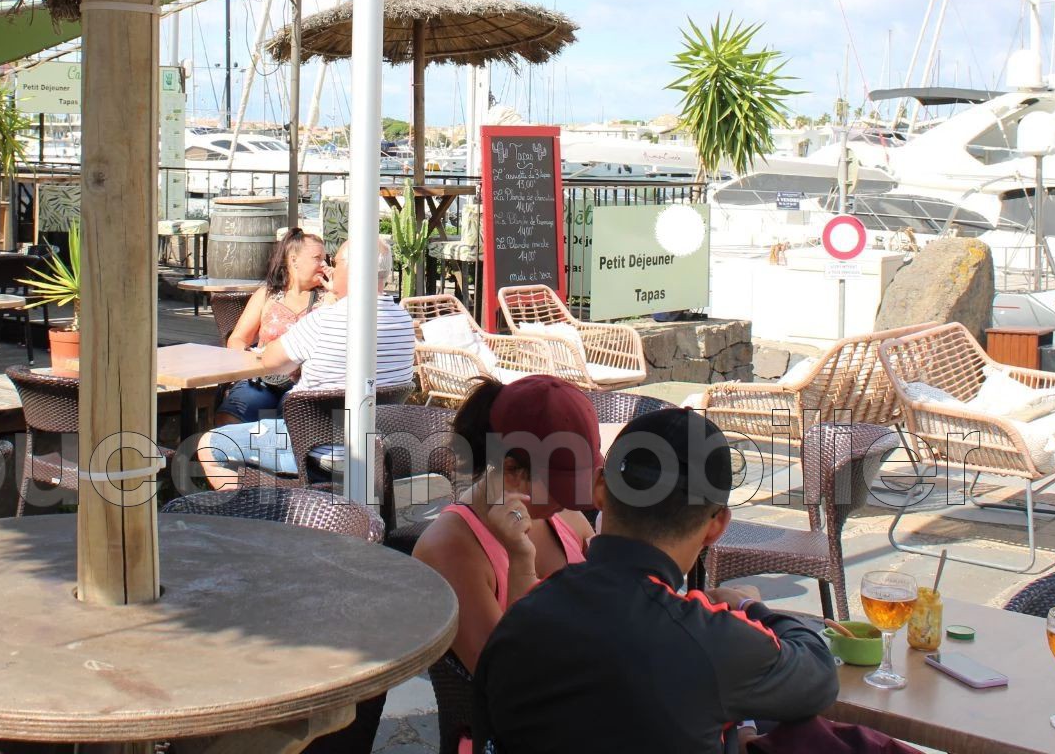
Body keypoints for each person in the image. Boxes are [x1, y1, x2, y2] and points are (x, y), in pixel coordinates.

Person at [473, 407, 842, 753]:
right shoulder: (713, 640)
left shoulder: (523, 618)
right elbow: (820, 675)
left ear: (600, 489)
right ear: (716, 526)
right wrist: (751, 605)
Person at [414, 375, 599, 754]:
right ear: (512, 470)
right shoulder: (449, 549)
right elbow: (509, 686)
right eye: (562, 488)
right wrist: (520, 560)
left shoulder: (563, 516)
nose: (574, 499)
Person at [196, 237, 416, 487]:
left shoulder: (323, 320)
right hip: (376, 448)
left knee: (210, 445)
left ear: (352, 269)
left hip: (314, 450)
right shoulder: (404, 322)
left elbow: (270, 361)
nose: (329, 269)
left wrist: (333, 299)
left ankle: (266, 509)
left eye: (335, 263)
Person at [215, 230, 332, 423]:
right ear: (294, 260)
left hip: (306, 383)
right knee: (232, 414)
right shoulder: (268, 295)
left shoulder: (328, 299)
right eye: (317, 258)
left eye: (325, 259)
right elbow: (237, 339)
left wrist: (335, 293)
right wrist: (251, 356)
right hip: (263, 380)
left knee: (289, 415)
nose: (324, 265)